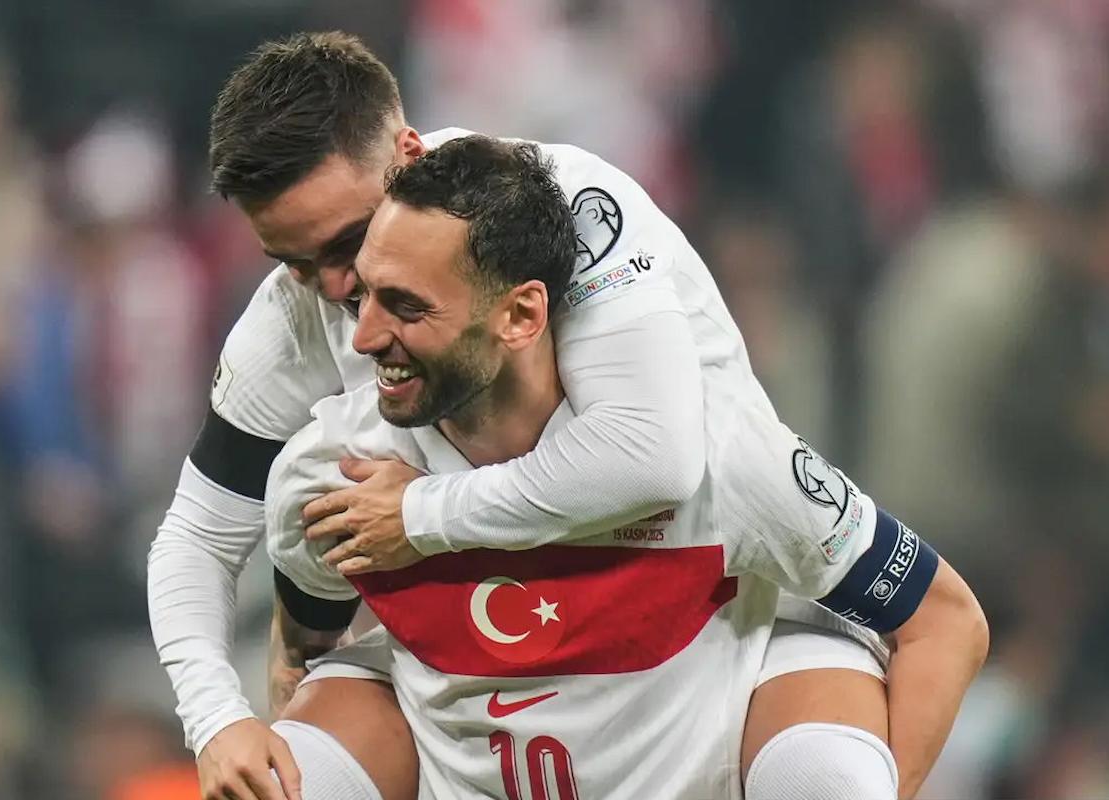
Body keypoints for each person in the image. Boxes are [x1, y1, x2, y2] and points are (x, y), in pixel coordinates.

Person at [145, 32, 981, 800]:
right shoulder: (315, 385)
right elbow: (201, 536)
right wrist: (220, 718)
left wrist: (420, 514)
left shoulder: (572, 215)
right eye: (294, 263)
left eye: (348, 245)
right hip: (477, 656)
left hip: (709, 611)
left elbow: (654, 458)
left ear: (524, 310)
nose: (338, 295)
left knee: (824, 775)